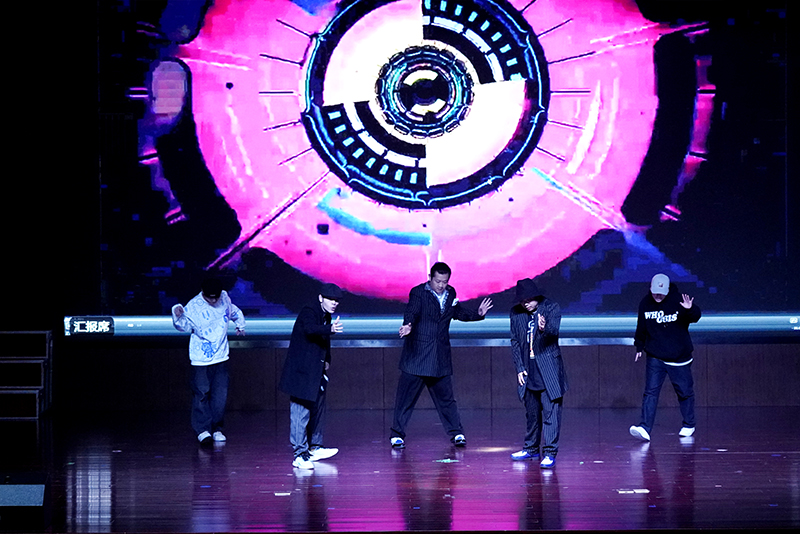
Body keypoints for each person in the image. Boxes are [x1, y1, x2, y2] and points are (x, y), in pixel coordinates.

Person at [390, 262, 493, 449]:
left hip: (440, 356)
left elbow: (458, 312)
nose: (441, 285)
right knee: (405, 399)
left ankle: (457, 433)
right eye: (437, 281)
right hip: (417, 356)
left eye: (444, 282)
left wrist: (478, 314)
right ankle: (397, 435)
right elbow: (412, 311)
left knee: (447, 399)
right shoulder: (418, 293)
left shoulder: (450, 293)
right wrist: (408, 325)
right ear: (430, 278)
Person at [172, 278, 245, 445]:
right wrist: (177, 314)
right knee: (201, 393)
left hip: (221, 356)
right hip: (201, 359)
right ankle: (202, 430)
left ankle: (217, 428)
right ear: (203, 293)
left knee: (220, 395)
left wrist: (240, 325)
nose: (213, 301)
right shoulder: (194, 306)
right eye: (209, 298)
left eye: (215, 297)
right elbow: (184, 326)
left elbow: (233, 311)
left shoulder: (224, 298)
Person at [279, 283, 344, 470]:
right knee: (300, 413)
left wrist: (327, 359)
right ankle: (299, 454)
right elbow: (309, 329)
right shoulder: (309, 311)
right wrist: (329, 329)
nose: (334, 303)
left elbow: (324, 340)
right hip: (301, 372)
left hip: (316, 370)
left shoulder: (326, 314)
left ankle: (315, 447)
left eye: (337, 300)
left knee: (318, 409)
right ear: (321, 298)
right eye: (331, 299)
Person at [629, 273, 701, 441]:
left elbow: (695, 317)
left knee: (684, 392)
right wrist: (639, 346)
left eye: (661, 293)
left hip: (679, 357)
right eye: (655, 292)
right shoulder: (645, 303)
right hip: (655, 356)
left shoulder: (679, 300)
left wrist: (690, 309)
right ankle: (645, 427)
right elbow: (641, 327)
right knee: (650, 392)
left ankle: (689, 424)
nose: (658, 296)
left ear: (668, 290)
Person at [508, 279, 567, 468]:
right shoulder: (516, 313)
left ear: (536, 296)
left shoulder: (550, 307)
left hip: (548, 370)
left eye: (528, 300)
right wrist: (519, 367)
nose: (525, 303)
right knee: (532, 413)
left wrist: (543, 328)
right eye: (522, 300)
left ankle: (549, 452)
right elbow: (515, 341)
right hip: (528, 370)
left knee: (551, 414)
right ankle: (531, 448)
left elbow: (554, 332)